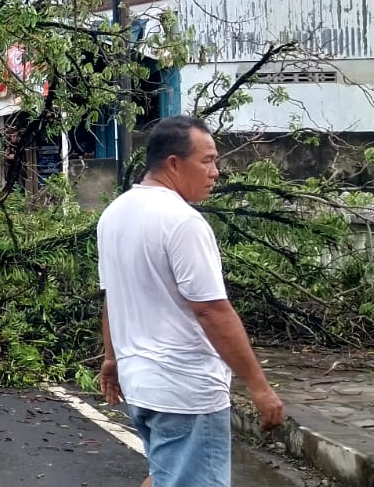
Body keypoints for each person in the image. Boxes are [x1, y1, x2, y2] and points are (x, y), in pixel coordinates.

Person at [98, 115, 286, 487]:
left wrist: (112, 358)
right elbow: (211, 310)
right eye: (207, 160)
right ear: (173, 163)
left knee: (165, 476)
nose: (215, 172)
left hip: (143, 387)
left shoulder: (114, 214)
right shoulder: (182, 221)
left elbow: (111, 297)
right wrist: (260, 386)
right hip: (185, 391)